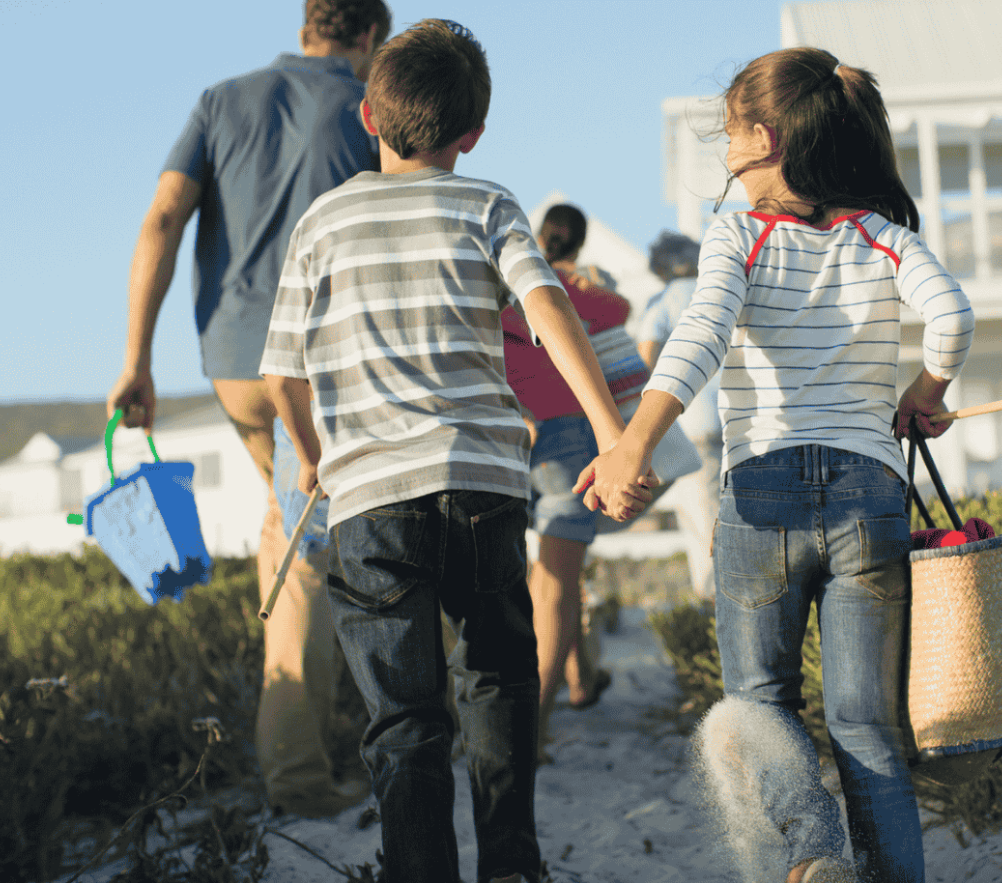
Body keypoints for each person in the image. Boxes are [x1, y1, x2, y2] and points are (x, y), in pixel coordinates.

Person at [580, 48, 975, 883]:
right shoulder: (882, 235)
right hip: (870, 492)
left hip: (762, 493)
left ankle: (815, 853)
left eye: (728, 132)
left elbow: (700, 338)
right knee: (865, 727)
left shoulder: (740, 233)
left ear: (765, 137)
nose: (724, 149)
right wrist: (927, 389)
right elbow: (953, 314)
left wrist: (632, 442)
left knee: (761, 705)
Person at [259, 20, 641, 883]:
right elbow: (550, 314)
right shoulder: (488, 205)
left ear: (366, 116)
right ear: (472, 134)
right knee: (499, 683)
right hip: (480, 483)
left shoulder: (322, 221)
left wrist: (316, 455)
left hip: (370, 501)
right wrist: (613, 433)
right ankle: (510, 865)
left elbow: (281, 378)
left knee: (403, 718)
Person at [104, 0, 390, 819]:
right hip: (324, 365)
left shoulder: (219, 99)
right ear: (369, 36)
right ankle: (304, 777)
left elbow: (162, 217)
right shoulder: (369, 107)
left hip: (234, 367)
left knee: (290, 530)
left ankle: (314, 756)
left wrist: (136, 359)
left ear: (308, 27)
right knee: (316, 556)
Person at [501, 217, 637, 762]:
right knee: (558, 578)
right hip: (565, 427)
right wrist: (583, 278)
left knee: (537, 576)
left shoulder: (504, 273)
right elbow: (618, 313)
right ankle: (530, 730)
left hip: (503, 423)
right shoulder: (568, 286)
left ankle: (577, 679)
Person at [635, 231, 721, 602]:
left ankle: (714, 611)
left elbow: (645, 361)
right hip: (739, 422)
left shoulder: (665, 299)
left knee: (703, 526)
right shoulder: (720, 291)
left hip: (692, 426)